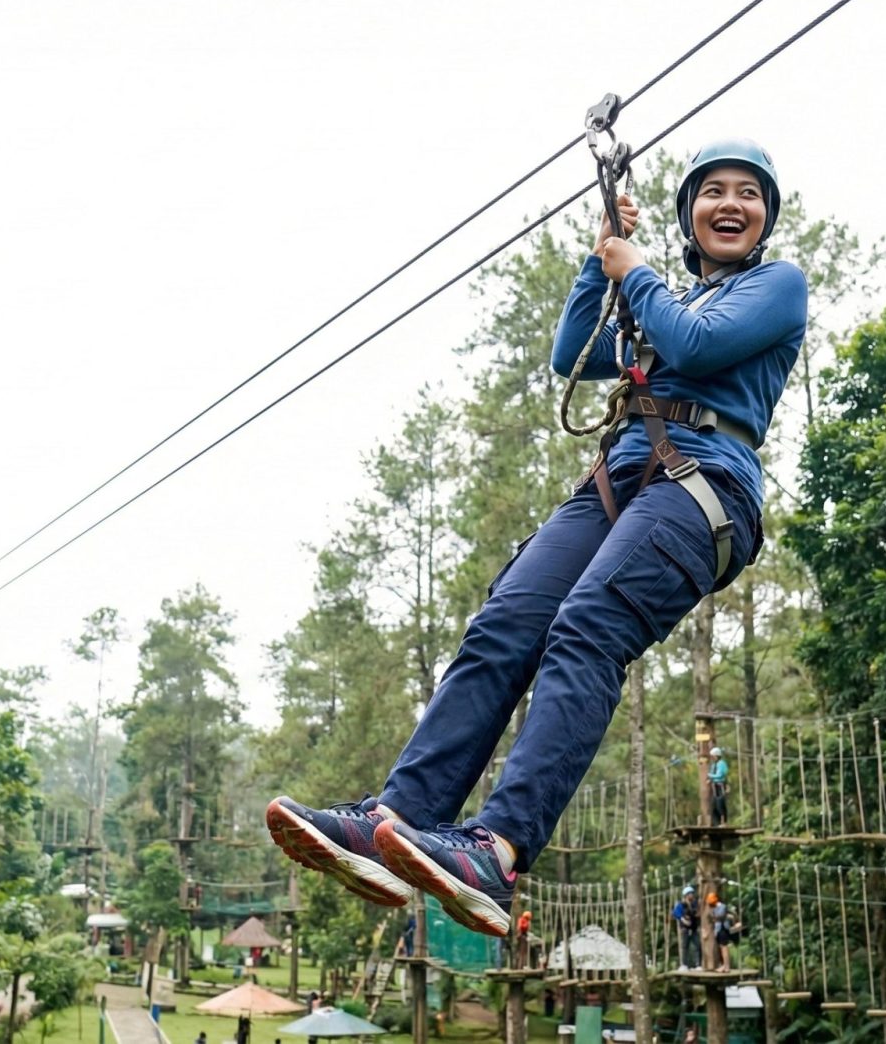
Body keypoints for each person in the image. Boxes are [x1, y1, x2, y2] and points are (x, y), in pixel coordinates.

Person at [266, 140, 809, 937]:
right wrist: (601, 264)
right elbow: (573, 356)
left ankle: (500, 845)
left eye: (748, 195)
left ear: (764, 219)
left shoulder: (773, 286)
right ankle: (398, 816)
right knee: (507, 623)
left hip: (703, 488)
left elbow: (695, 349)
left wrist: (634, 270)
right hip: (618, 481)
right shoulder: (669, 302)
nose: (731, 204)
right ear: (690, 215)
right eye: (713, 192)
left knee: (587, 627)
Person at [673, 885, 701, 968]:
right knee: (685, 947)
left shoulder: (695, 904)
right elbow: (676, 913)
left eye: (692, 893)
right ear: (686, 895)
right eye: (690, 894)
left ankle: (698, 964)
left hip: (694, 928)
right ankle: (684, 964)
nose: (692, 895)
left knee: (697, 946)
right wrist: (683, 920)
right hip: (685, 929)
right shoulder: (681, 904)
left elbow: (698, 913)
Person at [707, 892, 729, 970]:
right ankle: (723, 965)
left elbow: (721, 916)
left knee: (724, 947)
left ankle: (727, 966)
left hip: (723, 929)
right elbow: (713, 919)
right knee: (721, 948)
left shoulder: (723, 906)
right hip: (718, 930)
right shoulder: (714, 909)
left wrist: (713, 917)